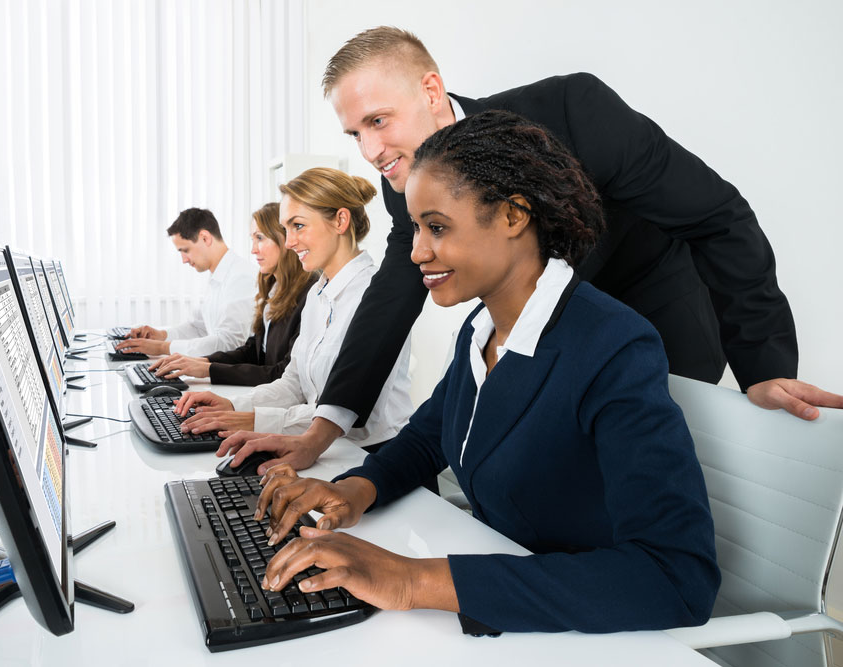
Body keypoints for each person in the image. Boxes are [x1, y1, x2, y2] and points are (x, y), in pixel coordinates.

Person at [219, 26, 843, 477]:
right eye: (355, 133)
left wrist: (763, 368)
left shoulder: (573, 112)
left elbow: (718, 216)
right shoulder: (402, 183)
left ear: (432, 89)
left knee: (636, 484)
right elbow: (390, 299)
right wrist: (324, 428)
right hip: (542, 330)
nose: (371, 151)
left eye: (379, 121)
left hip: (652, 311)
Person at [252, 110, 720, 634]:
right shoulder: (484, 326)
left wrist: (412, 581)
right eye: (413, 229)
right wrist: (355, 489)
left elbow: (677, 576)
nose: (417, 252)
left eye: (436, 228)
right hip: (503, 594)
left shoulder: (613, 346)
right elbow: (429, 438)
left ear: (513, 216)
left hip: (582, 633)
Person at [174, 167, 413, 453]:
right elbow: (293, 383)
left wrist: (254, 419)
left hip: (374, 452)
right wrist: (233, 405)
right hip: (329, 447)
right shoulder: (317, 294)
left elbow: (349, 415)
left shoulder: (374, 295)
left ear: (340, 221)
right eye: (286, 229)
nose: (288, 242)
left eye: (298, 226)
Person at [147, 202, 317, 385]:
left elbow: (283, 372)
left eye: (260, 237)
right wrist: (203, 362)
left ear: (285, 239)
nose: (253, 249)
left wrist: (207, 368)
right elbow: (253, 350)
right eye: (252, 239)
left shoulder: (309, 293)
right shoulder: (272, 286)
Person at [116, 207, 256, 357]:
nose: (184, 260)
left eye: (186, 250)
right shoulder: (218, 276)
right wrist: (161, 335)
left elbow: (229, 343)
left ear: (205, 238)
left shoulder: (241, 277)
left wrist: (163, 348)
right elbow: (198, 328)